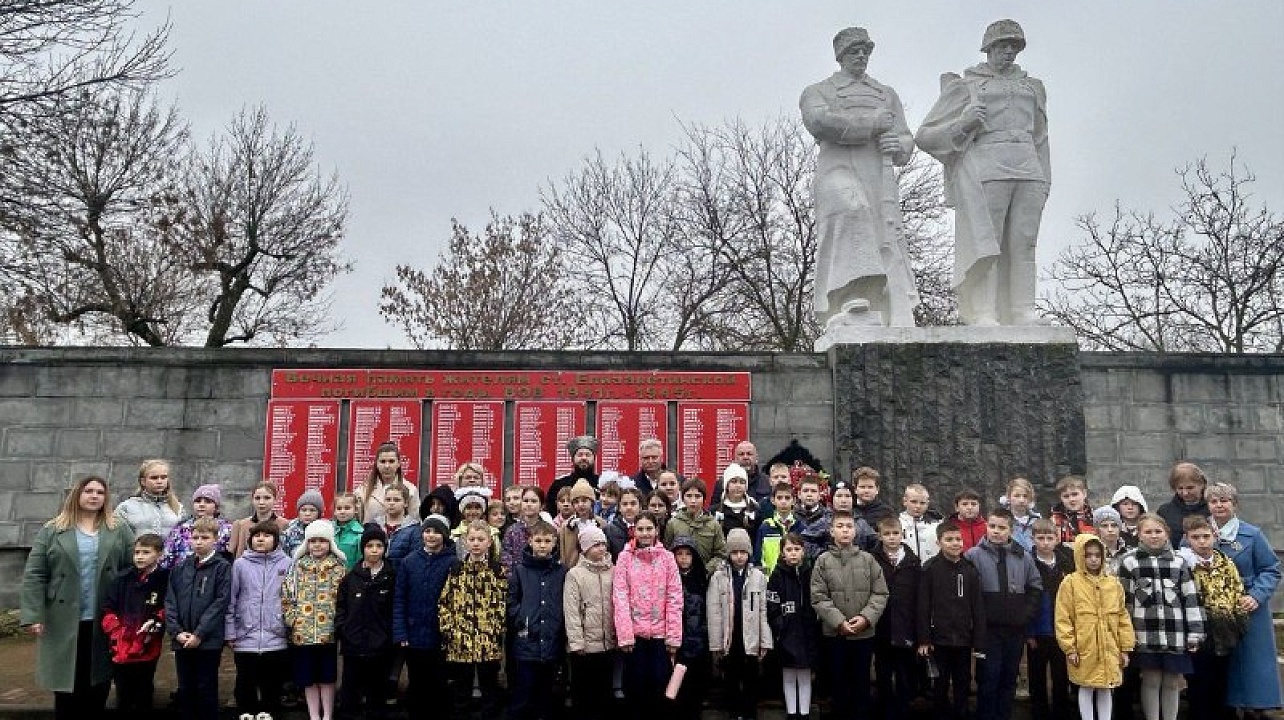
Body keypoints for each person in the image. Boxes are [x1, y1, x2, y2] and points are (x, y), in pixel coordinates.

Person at [916, 19, 1050, 326]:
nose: (1008, 53)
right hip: (988, 165)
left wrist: (1044, 176)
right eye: (1003, 46)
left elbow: (1041, 136)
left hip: (1028, 164)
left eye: (1013, 47)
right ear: (989, 49)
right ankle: (985, 312)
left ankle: (1022, 310)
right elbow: (925, 135)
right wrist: (964, 122)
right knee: (988, 243)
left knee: (1025, 240)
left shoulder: (1033, 87)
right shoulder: (967, 86)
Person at [800, 26, 917, 332]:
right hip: (837, 169)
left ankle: (880, 305)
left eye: (865, 50)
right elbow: (821, 122)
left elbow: (905, 137)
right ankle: (851, 295)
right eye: (854, 51)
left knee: (885, 237)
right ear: (840, 56)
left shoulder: (885, 94)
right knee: (854, 212)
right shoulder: (819, 91)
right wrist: (871, 124)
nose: (861, 56)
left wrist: (900, 147)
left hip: (877, 174)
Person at [21, 476, 135, 719]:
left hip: (104, 617)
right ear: (77, 494)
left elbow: (131, 572)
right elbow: (35, 573)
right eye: (89, 491)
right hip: (62, 617)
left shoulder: (119, 528)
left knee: (98, 681)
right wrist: (34, 615)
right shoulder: (53, 529)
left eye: (100, 492)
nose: (94, 496)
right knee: (67, 684)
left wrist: (129, 615)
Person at [1204, 482, 1282, 718]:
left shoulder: (1252, 534)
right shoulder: (1199, 533)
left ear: (1234, 504)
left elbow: (1271, 569)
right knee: (1221, 663)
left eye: (1224, 500)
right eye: (1214, 501)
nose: (1219, 505)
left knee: (1253, 662)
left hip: (1248, 605)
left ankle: (1256, 708)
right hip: (1214, 607)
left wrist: (1256, 595)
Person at [1116, 514, 1204, 720]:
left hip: (1175, 634)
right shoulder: (1129, 562)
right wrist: (1126, 636)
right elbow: (1124, 604)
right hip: (1145, 634)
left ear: (1167, 534)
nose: (1153, 536)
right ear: (1139, 534)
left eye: (1158, 531)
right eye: (1148, 532)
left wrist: (1195, 634)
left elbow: (1191, 599)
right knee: (1151, 679)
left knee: (1173, 682)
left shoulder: (1179, 563)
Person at [965, 507, 1042, 720]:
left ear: (1011, 529)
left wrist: (1025, 616)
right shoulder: (973, 555)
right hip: (987, 631)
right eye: (992, 526)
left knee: (1009, 679)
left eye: (1002, 527)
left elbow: (1035, 587)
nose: (996, 531)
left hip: (1015, 630)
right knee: (988, 678)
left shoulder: (1023, 556)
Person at [810, 511, 888, 720]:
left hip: (863, 636)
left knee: (861, 683)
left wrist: (865, 618)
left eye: (849, 526)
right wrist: (839, 622)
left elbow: (880, 593)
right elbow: (818, 597)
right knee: (838, 683)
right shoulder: (823, 561)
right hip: (835, 636)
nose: (845, 530)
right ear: (831, 530)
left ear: (855, 531)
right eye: (840, 526)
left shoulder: (868, 560)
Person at [1055, 534, 1135, 720]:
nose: (1093, 559)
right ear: (1079, 556)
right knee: (1086, 685)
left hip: (1110, 645)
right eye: (1088, 555)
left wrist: (1125, 648)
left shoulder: (1113, 583)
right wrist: (1069, 647)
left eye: (1097, 555)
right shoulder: (1070, 583)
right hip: (1085, 645)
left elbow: (1122, 616)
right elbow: (1063, 618)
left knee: (1106, 686)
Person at [613, 511, 682, 720]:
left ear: (656, 531)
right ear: (634, 531)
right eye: (640, 529)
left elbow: (674, 597)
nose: (644, 533)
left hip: (661, 635)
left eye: (649, 529)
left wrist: (673, 636)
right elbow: (620, 596)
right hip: (634, 635)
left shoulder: (668, 558)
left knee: (660, 682)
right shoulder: (625, 558)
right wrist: (625, 635)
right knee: (635, 684)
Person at [1178, 515, 1247, 720]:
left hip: (1225, 630)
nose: (1201, 541)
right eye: (1195, 537)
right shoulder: (1183, 565)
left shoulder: (1226, 563)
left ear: (1214, 536)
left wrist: (1239, 624)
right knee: (1199, 683)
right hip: (1197, 633)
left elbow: (1237, 591)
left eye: (1206, 536)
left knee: (1222, 681)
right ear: (1187, 538)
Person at [917, 521, 985, 720]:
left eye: (958, 539)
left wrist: (978, 640)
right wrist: (924, 639)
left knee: (963, 681)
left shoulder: (970, 569)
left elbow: (978, 607)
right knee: (940, 682)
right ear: (939, 542)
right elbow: (923, 606)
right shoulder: (930, 569)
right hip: (939, 639)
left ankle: (961, 712)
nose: (955, 543)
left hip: (964, 638)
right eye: (949, 540)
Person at [165, 516, 232, 720]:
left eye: (204, 537)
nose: (199, 541)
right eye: (195, 537)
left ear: (215, 539)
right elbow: (170, 600)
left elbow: (220, 602)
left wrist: (200, 634)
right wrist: (177, 632)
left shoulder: (222, 567)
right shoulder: (181, 567)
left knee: (206, 687)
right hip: (182, 639)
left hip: (207, 640)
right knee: (186, 688)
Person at [439, 520, 506, 720]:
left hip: (488, 642)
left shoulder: (497, 571)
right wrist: (450, 630)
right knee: (461, 692)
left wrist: (495, 630)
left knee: (489, 690)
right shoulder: (456, 570)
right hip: (460, 641)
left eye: (481, 539)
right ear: (465, 542)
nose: (476, 543)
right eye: (472, 539)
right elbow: (445, 602)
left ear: (489, 542)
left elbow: (503, 604)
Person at [393, 514, 458, 719]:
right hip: (413, 636)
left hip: (441, 636)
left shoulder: (453, 562)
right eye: (428, 531)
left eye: (437, 532)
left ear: (444, 536)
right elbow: (400, 599)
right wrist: (401, 631)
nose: (431, 536)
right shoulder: (409, 562)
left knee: (439, 683)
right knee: (417, 683)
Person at [226, 520, 291, 720]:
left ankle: (268, 711)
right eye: (257, 536)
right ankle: (246, 711)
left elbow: (292, 598)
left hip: (275, 633)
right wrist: (230, 630)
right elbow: (231, 599)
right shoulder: (240, 565)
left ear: (277, 540)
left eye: (267, 535)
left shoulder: (287, 563)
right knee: (245, 678)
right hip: (245, 633)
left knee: (272, 679)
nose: (261, 539)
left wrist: (288, 627)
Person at [283, 518, 347, 720]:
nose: (317, 545)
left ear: (330, 543)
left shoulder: (339, 568)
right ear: (306, 543)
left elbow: (345, 600)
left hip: (328, 632)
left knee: (327, 677)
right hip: (303, 633)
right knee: (308, 678)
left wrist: (338, 624)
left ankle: (327, 715)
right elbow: (287, 595)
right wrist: (292, 619)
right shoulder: (297, 567)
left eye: (322, 540)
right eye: (312, 541)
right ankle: (313, 715)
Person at [101, 533, 169, 717]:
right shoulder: (122, 579)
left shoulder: (165, 579)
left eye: (146, 552)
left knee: (144, 690)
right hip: (120, 644)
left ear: (160, 554)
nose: (139, 556)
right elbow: (108, 608)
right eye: (137, 552)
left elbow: (168, 607)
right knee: (123, 692)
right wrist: (116, 631)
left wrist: (156, 623)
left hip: (147, 643)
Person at [708, 528, 772, 720]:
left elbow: (763, 610)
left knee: (751, 677)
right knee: (731, 677)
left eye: (743, 552)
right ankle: (733, 712)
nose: (739, 557)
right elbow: (714, 612)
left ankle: (749, 712)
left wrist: (765, 640)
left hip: (750, 635)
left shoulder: (757, 577)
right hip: (730, 637)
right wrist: (716, 644)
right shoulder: (719, 577)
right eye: (734, 552)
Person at [508, 520, 567, 720]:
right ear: (530, 541)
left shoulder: (561, 572)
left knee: (547, 693)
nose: (542, 545)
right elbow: (511, 600)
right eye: (538, 540)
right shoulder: (519, 570)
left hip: (552, 641)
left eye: (547, 541)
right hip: (526, 642)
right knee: (523, 691)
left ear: (554, 543)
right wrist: (521, 619)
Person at [336, 524, 397, 720]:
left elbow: (394, 609)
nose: (374, 550)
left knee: (377, 693)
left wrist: (387, 635)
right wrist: (344, 631)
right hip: (353, 645)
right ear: (363, 548)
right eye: (369, 545)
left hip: (380, 646)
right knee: (350, 693)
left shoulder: (391, 577)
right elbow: (341, 608)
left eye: (379, 546)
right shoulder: (350, 578)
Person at [564, 525, 617, 720]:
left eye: (603, 544)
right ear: (585, 548)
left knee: (605, 691)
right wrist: (576, 643)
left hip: (608, 643)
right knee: (584, 693)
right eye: (595, 545)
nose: (601, 549)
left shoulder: (614, 571)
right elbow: (572, 612)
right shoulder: (575, 575)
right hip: (585, 646)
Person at [871, 517, 919, 720]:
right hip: (881, 626)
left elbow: (919, 596)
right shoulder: (872, 559)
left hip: (906, 626)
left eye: (895, 534)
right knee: (883, 674)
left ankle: (903, 711)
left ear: (902, 534)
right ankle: (885, 711)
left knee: (904, 675)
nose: (892, 538)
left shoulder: (912, 561)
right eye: (887, 534)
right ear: (880, 536)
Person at [767, 533, 819, 720]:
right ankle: (791, 713)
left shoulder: (810, 573)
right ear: (782, 552)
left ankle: (804, 713)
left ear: (803, 551)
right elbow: (772, 604)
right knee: (788, 673)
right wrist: (780, 625)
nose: (793, 553)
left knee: (805, 673)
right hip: (786, 633)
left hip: (807, 631)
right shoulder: (777, 574)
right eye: (789, 549)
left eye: (797, 549)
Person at [1027, 519, 1074, 720]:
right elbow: (1025, 600)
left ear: (1057, 539)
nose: (1045, 542)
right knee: (1036, 678)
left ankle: (1061, 714)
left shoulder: (1065, 562)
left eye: (1049, 538)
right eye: (1040, 538)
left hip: (1061, 631)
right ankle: (1039, 714)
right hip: (1037, 631)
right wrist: (1029, 632)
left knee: (1060, 677)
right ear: (1033, 539)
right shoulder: (1028, 561)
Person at [670, 535, 709, 720]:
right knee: (677, 687)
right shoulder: (668, 578)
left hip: (699, 640)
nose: (683, 558)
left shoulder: (702, 579)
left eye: (688, 554)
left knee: (696, 685)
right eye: (679, 554)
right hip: (676, 641)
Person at [161, 483, 232, 569]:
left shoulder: (227, 529)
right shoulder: (181, 528)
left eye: (208, 501)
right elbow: (168, 554)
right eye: (198, 501)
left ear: (216, 506)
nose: (201, 504)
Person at [355, 441, 422, 525]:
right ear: (376, 464)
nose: (387, 466)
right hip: (370, 536)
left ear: (398, 463)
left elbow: (415, 521)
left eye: (391, 461)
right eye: (383, 461)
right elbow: (356, 522)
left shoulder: (411, 490)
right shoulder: (362, 490)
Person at [664, 478, 728, 567]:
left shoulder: (713, 524)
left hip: (706, 575)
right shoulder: (673, 523)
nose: (693, 501)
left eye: (697, 496)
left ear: (704, 499)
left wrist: (707, 570)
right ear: (682, 498)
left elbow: (720, 554)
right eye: (689, 496)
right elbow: (667, 552)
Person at [115, 459, 183, 538]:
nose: (159, 481)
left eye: (163, 477)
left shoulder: (178, 508)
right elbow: (118, 538)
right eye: (154, 478)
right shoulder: (126, 507)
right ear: (143, 481)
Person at [229, 481, 289, 560]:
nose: (261, 502)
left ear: (275, 499)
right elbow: (234, 553)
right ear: (252, 499)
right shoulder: (241, 525)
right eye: (257, 498)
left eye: (267, 498)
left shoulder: (284, 524)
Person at [1155, 462, 1210, 548]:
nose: (1185, 493)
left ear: (1202, 484)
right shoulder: (1165, 511)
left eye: (1190, 488)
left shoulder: (1212, 509)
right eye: (1180, 488)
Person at [546, 435, 601, 515]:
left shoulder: (602, 484)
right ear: (573, 458)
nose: (584, 458)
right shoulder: (559, 485)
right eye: (580, 455)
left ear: (594, 458)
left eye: (588, 455)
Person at [559, 479, 608, 568]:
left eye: (584, 500)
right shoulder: (566, 526)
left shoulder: (601, 524)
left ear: (592, 502)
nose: (580, 504)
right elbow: (563, 554)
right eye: (576, 502)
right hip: (573, 571)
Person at [755, 482, 799, 573]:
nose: (783, 501)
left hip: (794, 580)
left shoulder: (799, 526)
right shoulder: (765, 527)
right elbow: (758, 558)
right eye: (779, 498)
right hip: (769, 581)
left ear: (794, 501)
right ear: (772, 500)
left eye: (787, 498)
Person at [712, 464, 762, 541]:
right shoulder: (715, 511)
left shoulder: (755, 509)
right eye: (734, 481)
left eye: (742, 482)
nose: (738, 485)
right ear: (726, 485)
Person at [502, 485, 546, 572]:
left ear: (542, 506)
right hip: (518, 580)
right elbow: (506, 559)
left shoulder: (548, 530)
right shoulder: (512, 531)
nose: (529, 504)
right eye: (525, 501)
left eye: (533, 501)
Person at [899, 483, 942, 563]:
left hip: (931, 571)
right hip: (906, 571)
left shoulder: (937, 525)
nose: (918, 506)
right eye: (914, 502)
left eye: (922, 503)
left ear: (927, 504)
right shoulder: (897, 524)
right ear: (905, 501)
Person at [1049, 475, 1094, 546]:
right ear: (1061, 498)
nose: (1071, 499)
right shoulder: (1055, 520)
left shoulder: (1094, 516)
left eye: (1075, 494)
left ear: (1084, 494)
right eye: (1066, 496)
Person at [282, 489, 324, 560]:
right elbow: (284, 555)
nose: (307, 514)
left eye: (312, 510)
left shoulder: (325, 530)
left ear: (319, 513)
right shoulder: (290, 531)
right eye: (304, 510)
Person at [606, 486, 644, 561]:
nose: (629, 507)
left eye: (633, 504)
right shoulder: (610, 530)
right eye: (625, 504)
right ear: (619, 508)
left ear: (640, 507)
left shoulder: (648, 527)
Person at [1004, 476, 1041, 551]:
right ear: (1008, 497)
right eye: (1017, 496)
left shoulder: (1038, 521)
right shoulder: (1002, 519)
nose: (1021, 500)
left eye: (1025, 496)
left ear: (1030, 499)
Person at [333, 491, 364, 570]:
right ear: (334, 511)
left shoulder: (359, 534)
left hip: (350, 577)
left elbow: (361, 561)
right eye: (339, 508)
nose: (342, 512)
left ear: (355, 510)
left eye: (347, 508)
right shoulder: (328, 530)